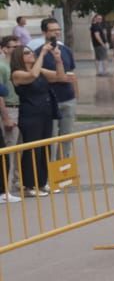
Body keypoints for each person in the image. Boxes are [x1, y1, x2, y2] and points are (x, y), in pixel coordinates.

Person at [9, 44, 60, 197]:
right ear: (19, 57)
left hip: (45, 112)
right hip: (30, 114)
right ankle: (29, 184)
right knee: (32, 149)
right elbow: (32, 76)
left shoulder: (39, 70)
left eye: (32, 52)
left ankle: (42, 182)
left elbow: (59, 76)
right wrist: (43, 53)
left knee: (45, 147)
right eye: (26, 53)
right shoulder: (17, 73)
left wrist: (58, 60)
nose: (31, 55)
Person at [37, 17, 78, 155]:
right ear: (44, 32)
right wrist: (60, 77)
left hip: (68, 99)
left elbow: (72, 75)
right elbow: (42, 76)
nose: (57, 33)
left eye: (58, 30)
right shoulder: (38, 53)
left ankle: (65, 168)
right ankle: (51, 170)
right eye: (53, 30)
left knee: (67, 137)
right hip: (50, 101)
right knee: (52, 138)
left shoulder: (66, 50)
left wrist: (76, 96)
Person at [0, 36, 19, 201]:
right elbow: (1, 95)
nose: (17, 49)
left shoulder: (15, 65)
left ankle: (15, 183)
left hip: (19, 108)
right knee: (9, 150)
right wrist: (6, 117)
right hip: (9, 109)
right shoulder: (2, 66)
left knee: (18, 148)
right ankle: (6, 188)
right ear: (4, 48)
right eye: (14, 47)